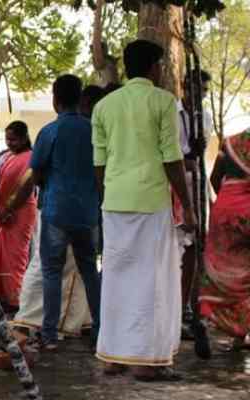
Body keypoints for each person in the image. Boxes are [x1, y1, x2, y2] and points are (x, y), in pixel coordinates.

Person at [93, 40, 194, 381]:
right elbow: (172, 158)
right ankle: (147, 362)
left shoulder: (104, 106)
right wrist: (189, 206)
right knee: (152, 281)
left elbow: (99, 163)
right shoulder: (164, 102)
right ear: (154, 68)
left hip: (115, 202)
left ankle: (113, 357)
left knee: (117, 278)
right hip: (150, 203)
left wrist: (110, 193)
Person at [28, 75, 102, 351]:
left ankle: (49, 334)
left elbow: (35, 172)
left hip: (56, 210)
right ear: (81, 97)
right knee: (89, 271)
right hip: (87, 211)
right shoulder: (93, 129)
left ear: (55, 99)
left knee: (51, 272)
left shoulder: (50, 131)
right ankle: (100, 329)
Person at [199, 127, 250, 349]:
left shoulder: (231, 142)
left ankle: (232, 332)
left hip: (226, 209)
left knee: (225, 272)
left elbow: (214, 177)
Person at [0, 121, 38, 314]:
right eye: (8, 139)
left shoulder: (31, 157)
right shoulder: (7, 157)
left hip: (20, 211)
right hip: (2, 212)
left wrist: (9, 208)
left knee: (15, 257)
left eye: (14, 139)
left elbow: (27, 186)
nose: (10, 143)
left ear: (24, 138)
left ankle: (15, 298)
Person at [176, 70, 213, 339]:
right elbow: (176, 157)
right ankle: (174, 309)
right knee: (174, 247)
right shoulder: (171, 113)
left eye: (203, 92)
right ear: (184, 88)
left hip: (197, 185)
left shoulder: (207, 118)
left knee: (194, 248)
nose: (198, 96)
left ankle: (187, 306)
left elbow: (196, 159)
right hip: (175, 187)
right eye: (194, 89)